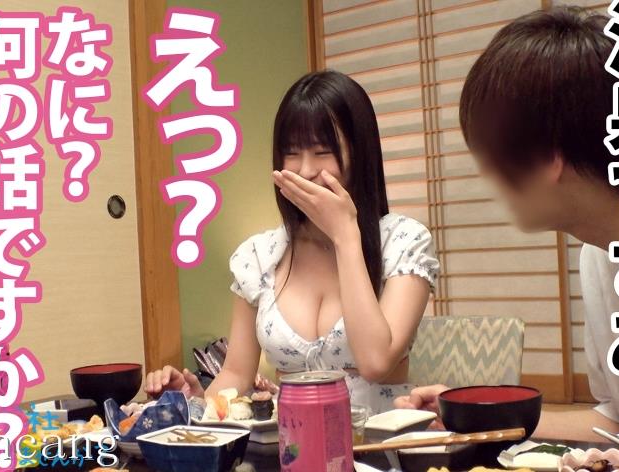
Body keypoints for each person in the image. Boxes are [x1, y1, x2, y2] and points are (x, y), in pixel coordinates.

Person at [395, 6, 619, 441]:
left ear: (548, 158)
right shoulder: (597, 254)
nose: (487, 175)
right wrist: (480, 417)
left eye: (489, 157)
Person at [144, 70, 440, 414]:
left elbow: (376, 362)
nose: (305, 169)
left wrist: (346, 235)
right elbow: (237, 373)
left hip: (381, 441)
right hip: (289, 441)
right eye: (292, 153)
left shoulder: (404, 242)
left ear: (359, 153)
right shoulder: (259, 256)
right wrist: (192, 404)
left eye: (322, 151)